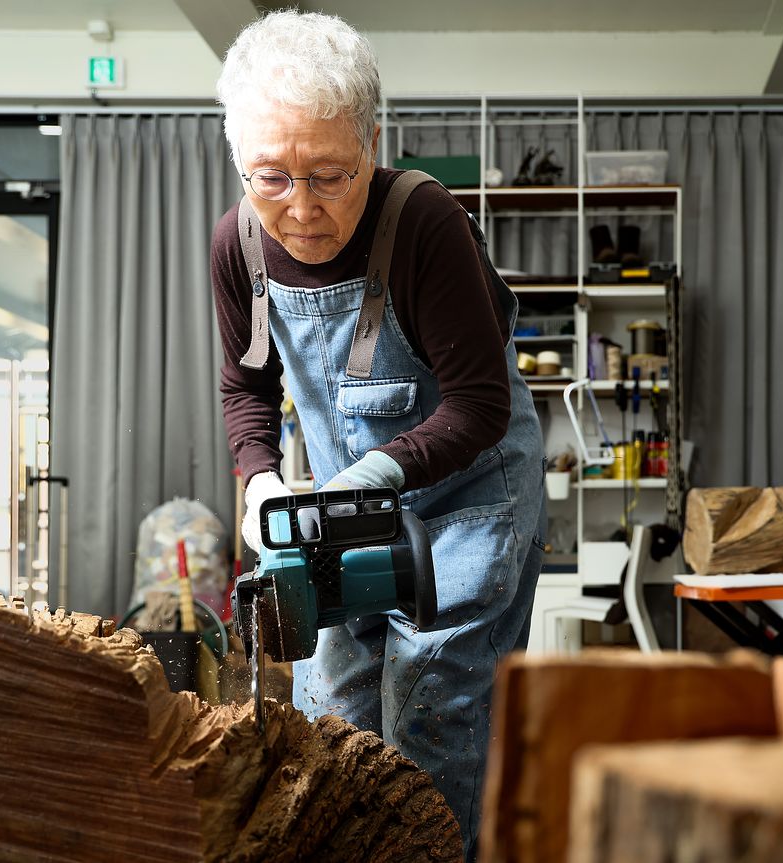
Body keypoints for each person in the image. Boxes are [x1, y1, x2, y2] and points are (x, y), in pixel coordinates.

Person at [211, 11, 544, 858]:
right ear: (238, 158)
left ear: (371, 142)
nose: (301, 208)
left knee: (432, 721)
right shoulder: (237, 244)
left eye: (330, 175)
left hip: (468, 503)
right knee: (335, 723)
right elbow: (246, 388)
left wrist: (373, 474)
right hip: (341, 512)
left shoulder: (423, 222)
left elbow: (478, 403)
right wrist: (259, 482)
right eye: (271, 177)